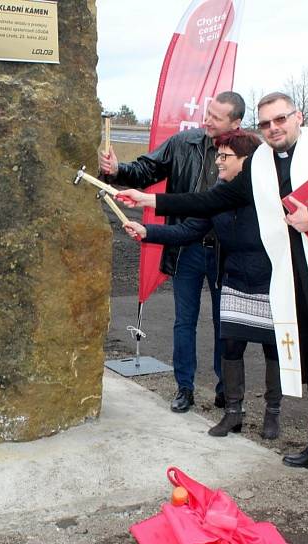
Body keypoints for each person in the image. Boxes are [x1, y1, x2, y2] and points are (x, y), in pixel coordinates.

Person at [117, 92, 308, 493]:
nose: (273, 129)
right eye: (266, 124)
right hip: (295, 280)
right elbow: (213, 199)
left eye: (280, 119)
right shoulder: (262, 164)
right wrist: (152, 199)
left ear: (298, 116)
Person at [123, 129, 283, 439]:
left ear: (246, 160)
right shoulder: (220, 193)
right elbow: (188, 229)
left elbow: (194, 201)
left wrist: (147, 198)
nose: (218, 162)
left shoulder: (266, 190)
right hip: (234, 278)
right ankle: (233, 413)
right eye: (217, 155)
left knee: (273, 349)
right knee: (232, 347)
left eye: (225, 156)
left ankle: (272, 413)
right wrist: (147, 232)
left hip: (270, 280)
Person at [99, 91, 246, 413]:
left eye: (217, 117)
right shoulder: (184, 144)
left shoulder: (246, 154)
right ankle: (185, 388)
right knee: (184, 321)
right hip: (186, 247)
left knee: (227, 323)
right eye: (208, 113)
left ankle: (227, 390)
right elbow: (146, 169)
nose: (207, 120)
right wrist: (117, 169)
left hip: (227, 252)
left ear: (235, 122)